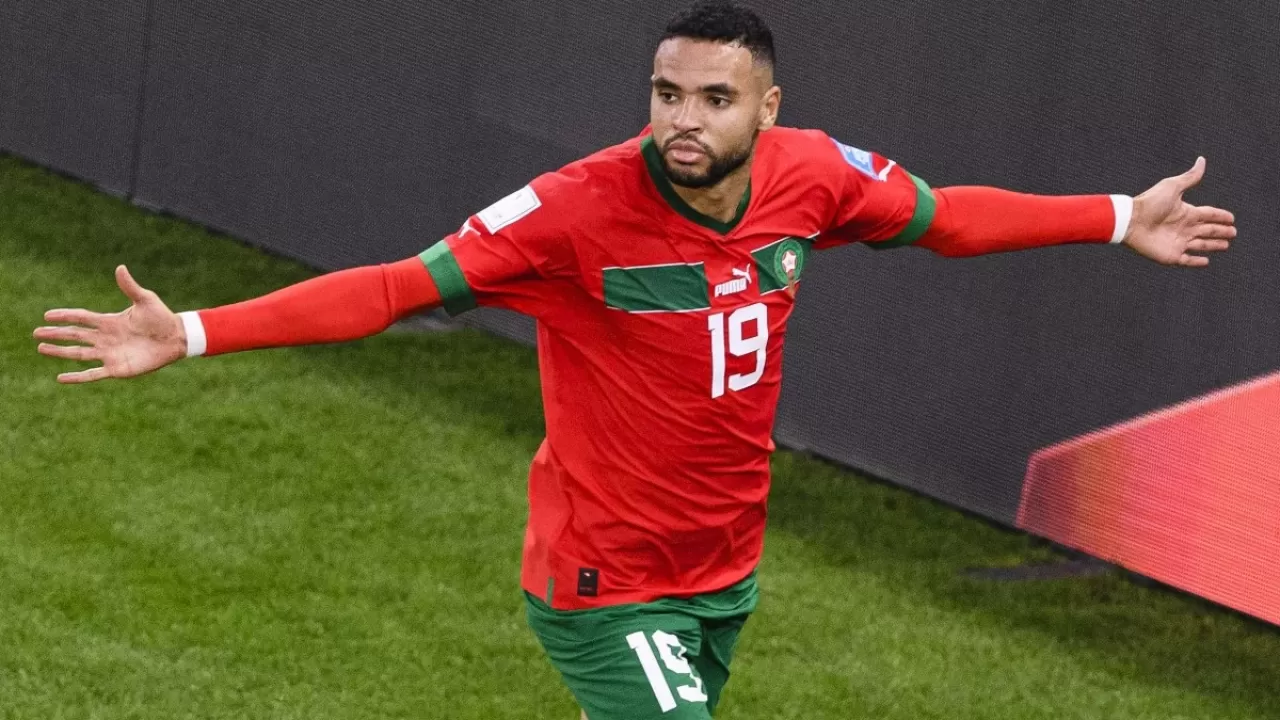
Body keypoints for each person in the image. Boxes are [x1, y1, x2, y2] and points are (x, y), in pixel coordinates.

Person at [33, 2, 1235, 717]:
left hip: (723, 566)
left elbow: (944, 218)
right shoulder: (571, 211)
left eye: (712, 98)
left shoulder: (813, 174)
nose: (681, 121)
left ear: (765, 108)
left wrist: (1111, 216)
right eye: (665, 94)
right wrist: (195, 331)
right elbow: (393, 289)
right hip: (605, 581)